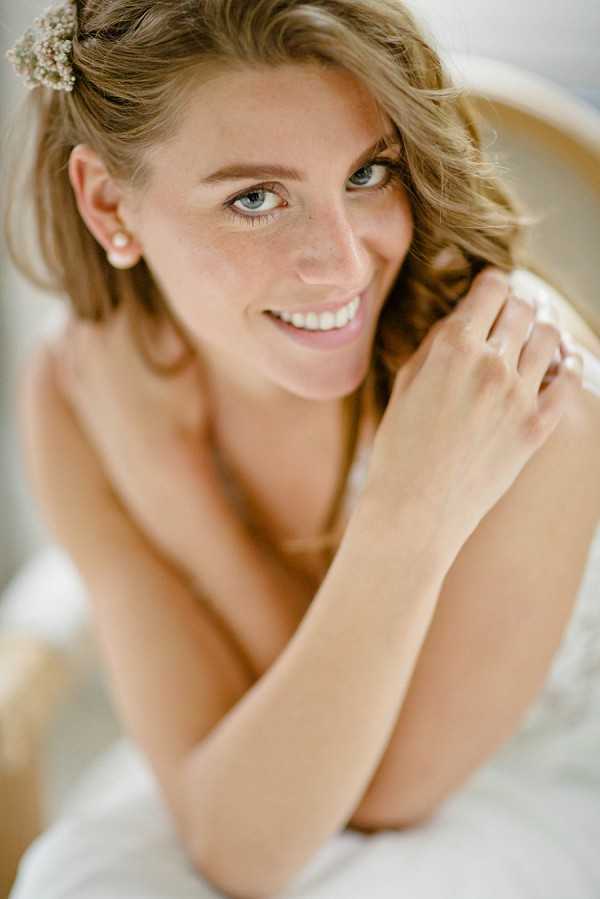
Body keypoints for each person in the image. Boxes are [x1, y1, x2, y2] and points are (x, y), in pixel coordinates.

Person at [4, 1, 600, 897]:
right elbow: (236, 818)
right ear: (106, 201)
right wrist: (180, 494)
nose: (346, 261)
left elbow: (375, 796)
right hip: (277, 779)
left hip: (537, 786)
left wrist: (394, 507)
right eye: (256, 198)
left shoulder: (513, 382)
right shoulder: (81, 389)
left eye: (368, 173)